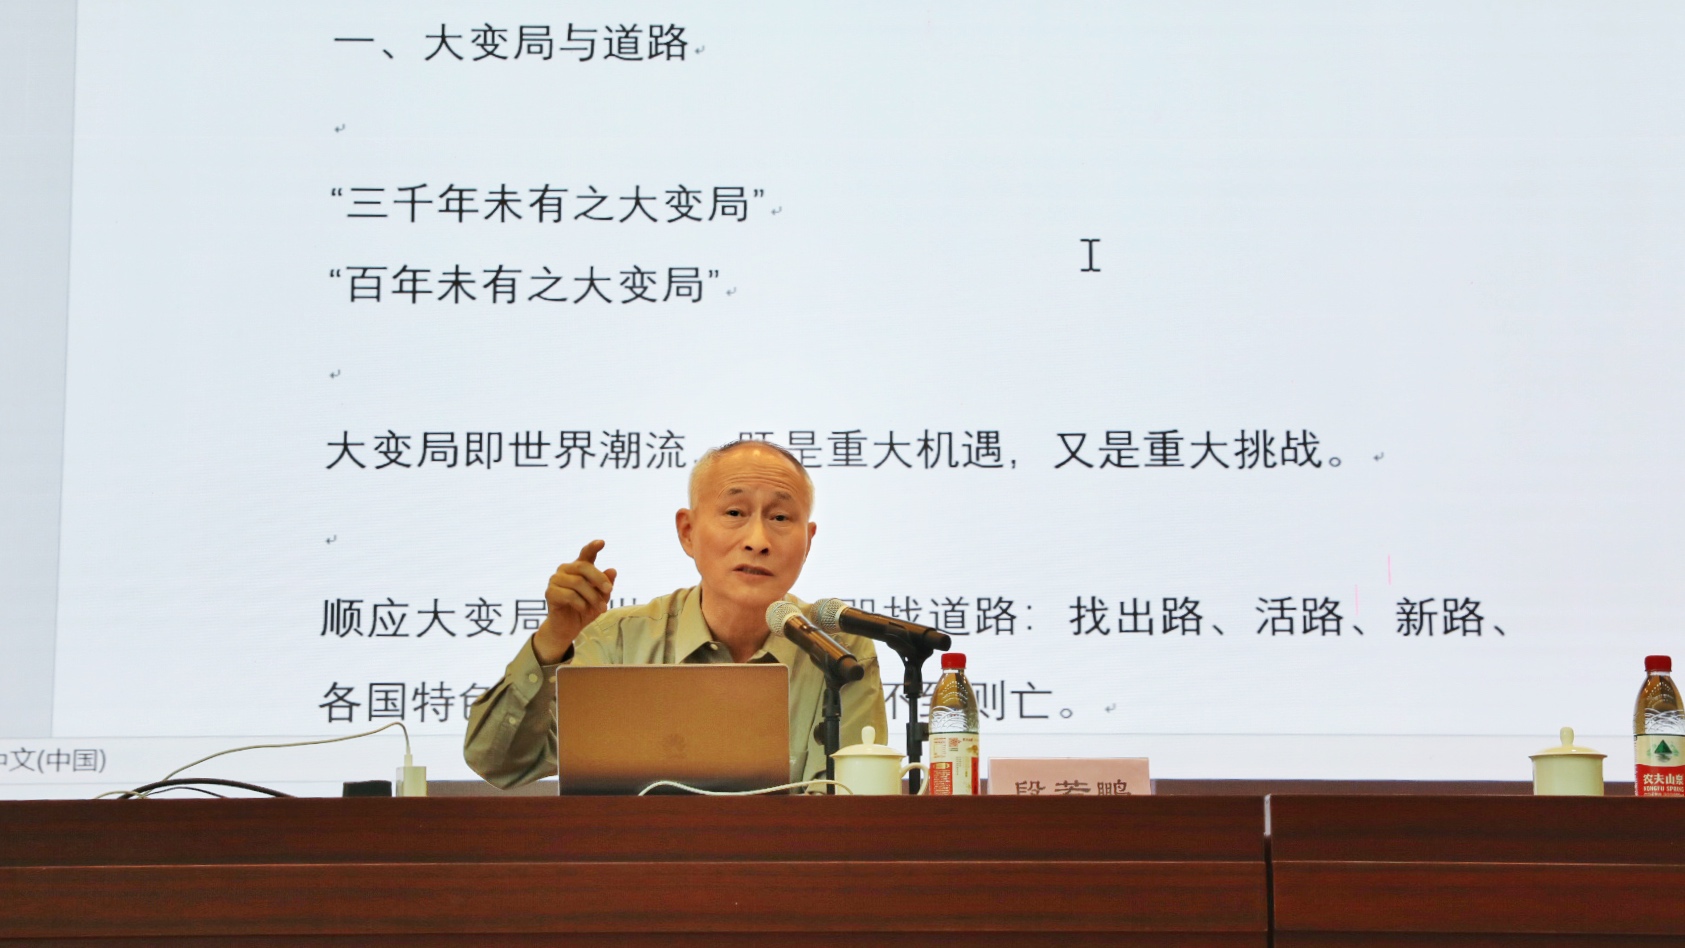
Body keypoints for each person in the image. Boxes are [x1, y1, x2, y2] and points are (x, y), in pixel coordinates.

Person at [464, 439, 889, 789]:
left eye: (780, 517)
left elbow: (849, 807)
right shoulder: (617, 642)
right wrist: (554, 639)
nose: (758, 540)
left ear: (807, 541)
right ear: (687, 531)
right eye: (735, 513)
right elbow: (499, 764)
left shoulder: (838, 650)